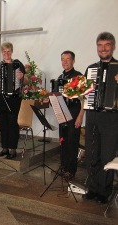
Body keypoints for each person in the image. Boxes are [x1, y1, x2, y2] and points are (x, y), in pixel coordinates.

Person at [82, 32, 118, 204]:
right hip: (92, 115)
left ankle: (105, 191)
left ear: (113, 46)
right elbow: (83, 94)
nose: (103, 48)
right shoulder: (91, 69)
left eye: (107, 45)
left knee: (107, 156)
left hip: (111, 118)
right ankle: (93, 188)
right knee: (91, 154)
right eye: (100, 45)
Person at [0, 42, 26, 159]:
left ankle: (13, 150)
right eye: (4, 52)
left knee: (12, 123)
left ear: (11, 51)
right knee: (3, 124)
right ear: (2, 53)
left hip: (14, 98)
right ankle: (4, 148)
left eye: (8, 51)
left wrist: (23, 77)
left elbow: (26, 81)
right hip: (1, 98)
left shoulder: (17, 64)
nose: (6, 54)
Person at [55, 51, 84, 181]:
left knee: (72, 142)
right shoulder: (61, 77)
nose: (65, 62)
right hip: (62, 112)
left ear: (73, 61)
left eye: (68, 59)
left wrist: (80, 116)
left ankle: (70, 170)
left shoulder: (79, 77)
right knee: (63, 140)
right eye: (63, 59)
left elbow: (84, 100)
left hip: (74, 111)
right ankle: (63, 166)